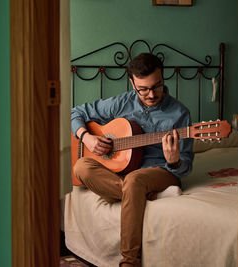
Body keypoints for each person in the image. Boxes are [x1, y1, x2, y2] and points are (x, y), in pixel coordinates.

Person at [71, 53, 194, 267]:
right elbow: (76, 112)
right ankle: (150, 196)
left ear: (163, 78)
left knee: (134, 180)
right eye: (143, 89)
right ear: (132, 83)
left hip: (159, 170)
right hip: (123, 171)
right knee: (81, 167)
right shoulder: (122, 102)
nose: (151, 94)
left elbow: (185, 167)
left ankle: (129, 261)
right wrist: (87, 137)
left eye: (156, 86)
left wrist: (174, 161)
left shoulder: (180, 113)